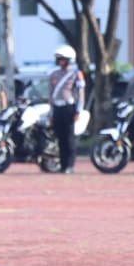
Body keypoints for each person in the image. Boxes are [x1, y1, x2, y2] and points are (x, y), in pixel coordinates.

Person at [48, 45, 85, 174]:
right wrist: (51, 112)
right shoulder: (53, 74)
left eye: (62, 59)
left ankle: (70, 165)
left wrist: (78, 111)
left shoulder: (76, 74)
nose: (60, 62)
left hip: (69, 107)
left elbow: (80, 93)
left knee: (69, 137)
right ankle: (63, 165)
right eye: (58, 59)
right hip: (57, 108)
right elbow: (51, 94)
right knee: (60, 138)